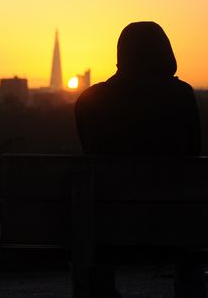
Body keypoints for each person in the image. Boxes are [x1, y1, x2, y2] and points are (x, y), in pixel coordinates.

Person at [75, 21, 205, 298]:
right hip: (177, 228)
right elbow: (193, 152)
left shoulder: (89, 101)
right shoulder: (181, 97)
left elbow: (90, 154)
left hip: (106, 229)